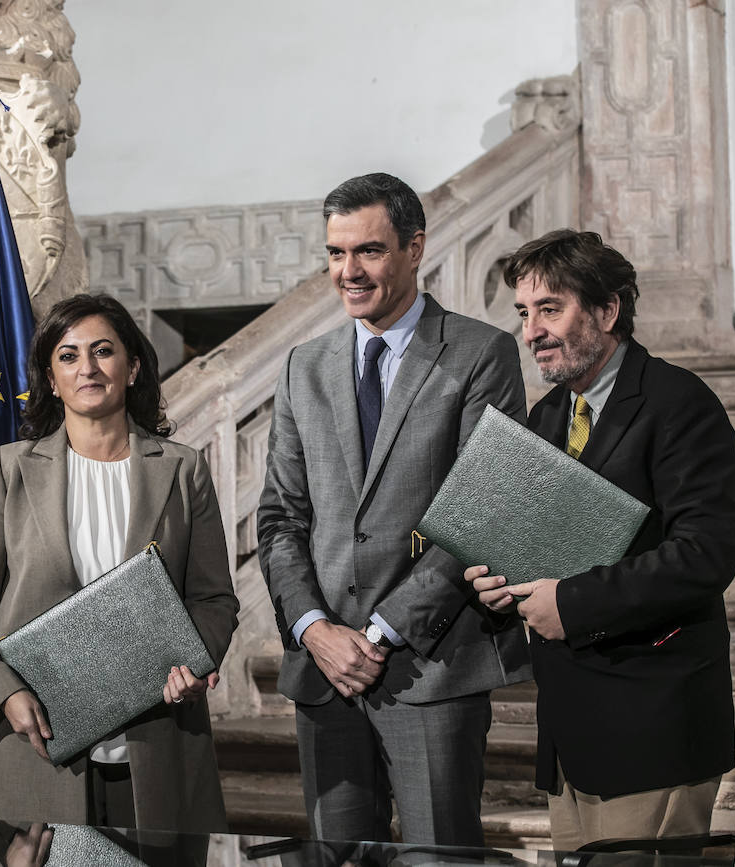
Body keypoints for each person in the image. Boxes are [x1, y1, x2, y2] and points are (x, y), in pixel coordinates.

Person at [257, 172, 532, 845]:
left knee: (440, 859)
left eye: (369, 251)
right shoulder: (302, 367)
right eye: (335, 253)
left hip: (430, 667)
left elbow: (482, 512)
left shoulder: (480, 353)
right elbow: (280, 520)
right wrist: (315, 629)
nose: (348, 272)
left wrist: (378, 635)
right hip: (323, 673)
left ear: (415, 248)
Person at [465, 229, 735, 850]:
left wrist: (570, 603)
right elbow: (538, 548)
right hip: (572, 730)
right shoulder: (545, 417)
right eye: (524, 313)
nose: (531, 330)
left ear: (608, 309)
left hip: (653, 724)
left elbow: (706, 555)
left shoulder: (681, 403)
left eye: (550, 309)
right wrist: (496, 583)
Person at [0, 293, 240, 832]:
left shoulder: (183, 468)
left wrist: (195, 665)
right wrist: (3, 691)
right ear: (52, 379)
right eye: (69, 356)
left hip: (160, 741)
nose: (88, 368)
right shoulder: (11, 469)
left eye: (103, 351)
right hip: (39, 745)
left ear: (133, 367)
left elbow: (213, 597)